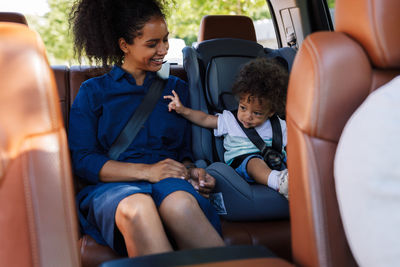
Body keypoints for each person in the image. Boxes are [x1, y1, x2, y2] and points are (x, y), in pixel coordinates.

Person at [68, 0, 225, 257]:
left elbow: (184, 151)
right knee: (138, 208)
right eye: (152, 44)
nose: (163, 50)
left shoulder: (178, 88)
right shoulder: (93, 92)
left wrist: (192, 170)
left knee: (181, 206)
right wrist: (148, 171)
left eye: (165, 40)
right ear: (124, 45)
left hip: (169, 182)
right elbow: (84, 161)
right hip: (114, 187)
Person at [164, 57, 289, 199]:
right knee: (254, 163)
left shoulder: (279, 125)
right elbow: (205, 119)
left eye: (257, 113)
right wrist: (183, 110)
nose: (247, 116)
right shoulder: (230, 120)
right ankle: (278, 182)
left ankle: (292, 180)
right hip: (243, 164)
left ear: (271, 111)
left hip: (276, 162)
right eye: (243, 108)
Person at [334, 75, 400, 267]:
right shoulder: (384, 118)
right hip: (245, 158)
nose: (248, 116)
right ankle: (275, 179)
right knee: (250, 161)